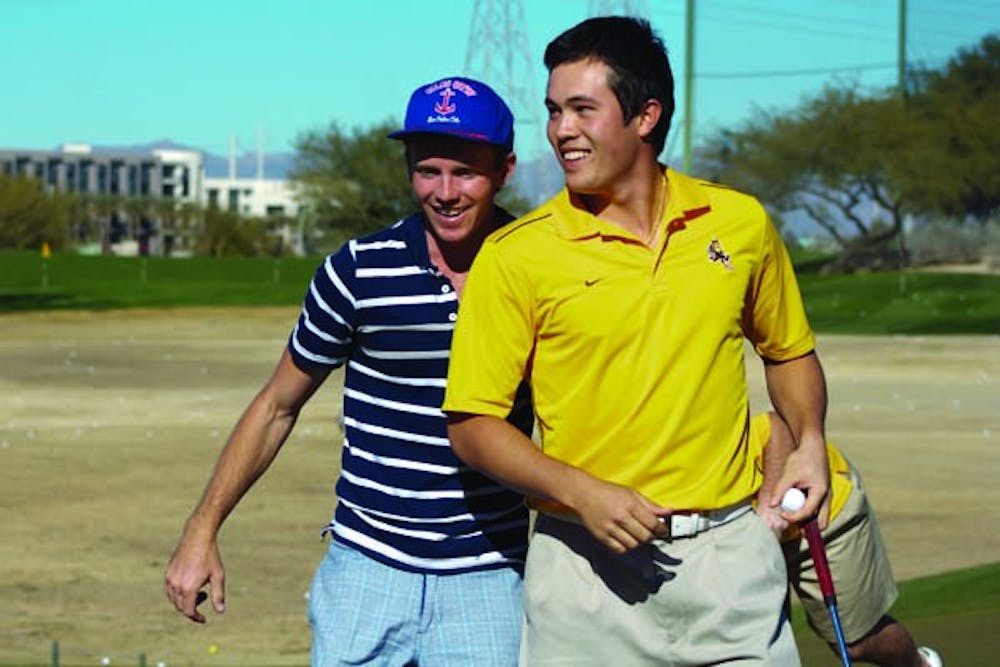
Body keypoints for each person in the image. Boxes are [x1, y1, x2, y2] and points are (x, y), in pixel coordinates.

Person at [442, 16, 830, 666]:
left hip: (730, 561)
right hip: (582, 575)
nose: (561, 129)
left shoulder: (740, 224)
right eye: (554, 110)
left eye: (582, 109)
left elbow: (788, 351)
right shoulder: (515, 255)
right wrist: (581, 491)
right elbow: (472, 423)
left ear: (645, 115)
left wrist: (811, 441)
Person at [164, 76, 533, 667]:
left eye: (465, 172)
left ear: (504, 169)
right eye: (427, 170)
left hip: (487, 579)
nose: (444, 192)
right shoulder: (357, 271)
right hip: (366, 571)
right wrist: (201, 530)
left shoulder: (536, 269)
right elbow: (276, 406)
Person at [753, 412, 945, 667]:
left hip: (820, 512)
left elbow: (777, 427)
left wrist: (769, 505)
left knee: (854, 642)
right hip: (745, 539)